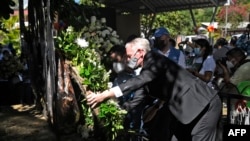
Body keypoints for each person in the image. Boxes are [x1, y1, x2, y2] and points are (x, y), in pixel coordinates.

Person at [87, 37, 222, 141]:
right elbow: (137, 100)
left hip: (204, 104)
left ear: (140, 52)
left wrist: (107, 94)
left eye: (129, 56)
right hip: (187, 111)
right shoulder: (145, 73)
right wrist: (115, 113)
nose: (128, 61)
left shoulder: (154, 59)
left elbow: (140, 80)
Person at [108, 44, 151, 131]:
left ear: (125, 57)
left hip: (138, 124)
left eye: (116, 60)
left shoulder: (141, 74)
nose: (114, 64)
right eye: (112, 61)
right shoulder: (118, 78)